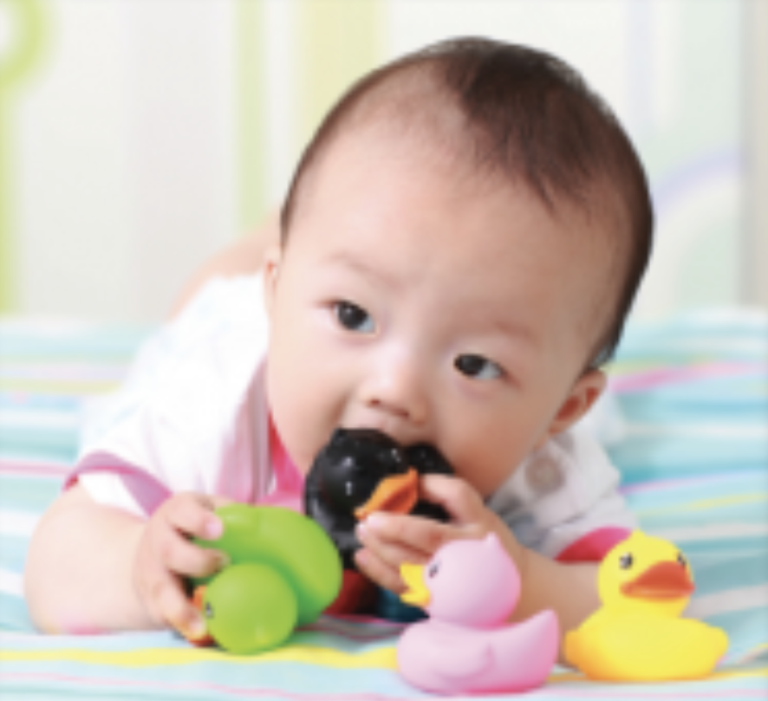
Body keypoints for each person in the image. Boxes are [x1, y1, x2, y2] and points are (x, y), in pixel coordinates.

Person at [25, 37, 653, 651]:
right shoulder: (212, 406)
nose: (395, 392)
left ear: (563, 411)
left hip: (304, 292)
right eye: (353, 316)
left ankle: (320, 255)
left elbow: (640, 599)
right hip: (228, 324)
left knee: (348, 264)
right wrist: (141, 567)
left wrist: (521, 582)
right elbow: (56, 558)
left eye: (475, 364)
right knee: (207, 293)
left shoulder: (543, 470)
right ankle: (275, 237)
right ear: (280, 294)